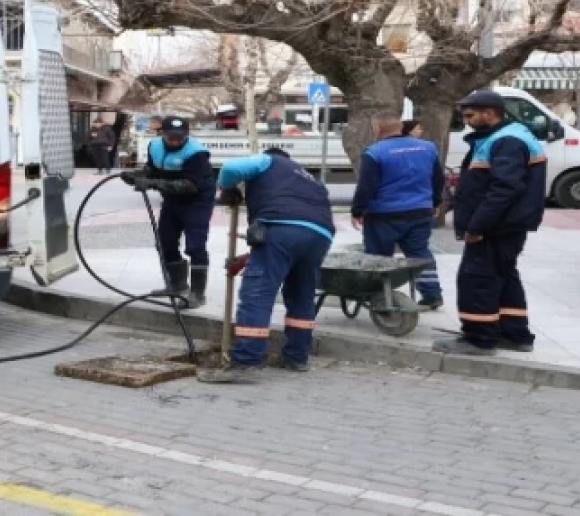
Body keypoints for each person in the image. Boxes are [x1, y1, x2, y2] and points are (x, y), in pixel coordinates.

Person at [198, 147, 335, 383]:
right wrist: (246, 260)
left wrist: (228, 188)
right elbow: (290, 245)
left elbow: (230, 168)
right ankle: (296, 357)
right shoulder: (309, 178)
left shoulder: (268, 160)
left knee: (257, 294)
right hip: (319, 236)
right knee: (301, 295)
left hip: (280, 228)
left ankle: (246, 360)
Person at [435, 90, 546, 356]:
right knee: (504, 275)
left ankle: (479, 338)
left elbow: (504, 189)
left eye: (470, 115)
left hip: (496, 226)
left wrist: (477, 226)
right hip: (508, 224)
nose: (466, 121)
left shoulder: (506, 141)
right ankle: (514, 333)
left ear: (490, 113)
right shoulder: (509, 136)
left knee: (478, 278)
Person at [351, 112, 445, 309]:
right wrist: (436, 202)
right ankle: (432, 294)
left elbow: (366, 186)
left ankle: (377, 295)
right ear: (401, 127)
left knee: (378, 257)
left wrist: (358, 210)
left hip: (383, 215)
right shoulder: (428, 148)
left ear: (377, 129)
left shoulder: (375, 152)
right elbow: (437, 179)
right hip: (420, 211)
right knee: (420, 253)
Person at [121, 116, 215, 307]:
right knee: (165, 242)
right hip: (172, 198)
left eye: (179, 137)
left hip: (197, 201)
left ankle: (197, 294)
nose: (175, 141)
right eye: (170, 137)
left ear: (186, 135)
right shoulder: (154, 146)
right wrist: (138, 176)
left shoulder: (196, 153)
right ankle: (177, 285)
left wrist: (153, 184)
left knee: (195, 246)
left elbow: (190, 185)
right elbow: (152, 169)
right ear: (162, 134)